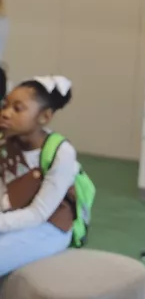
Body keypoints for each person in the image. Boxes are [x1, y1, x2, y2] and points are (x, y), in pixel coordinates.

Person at [0, 75, 77, 276]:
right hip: (11, 217)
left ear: (44, 117)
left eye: (17, 109)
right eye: (5, 105)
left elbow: (37, 214)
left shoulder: (61, 152)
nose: (6, 113)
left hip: (48, 227)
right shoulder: (5, 142)